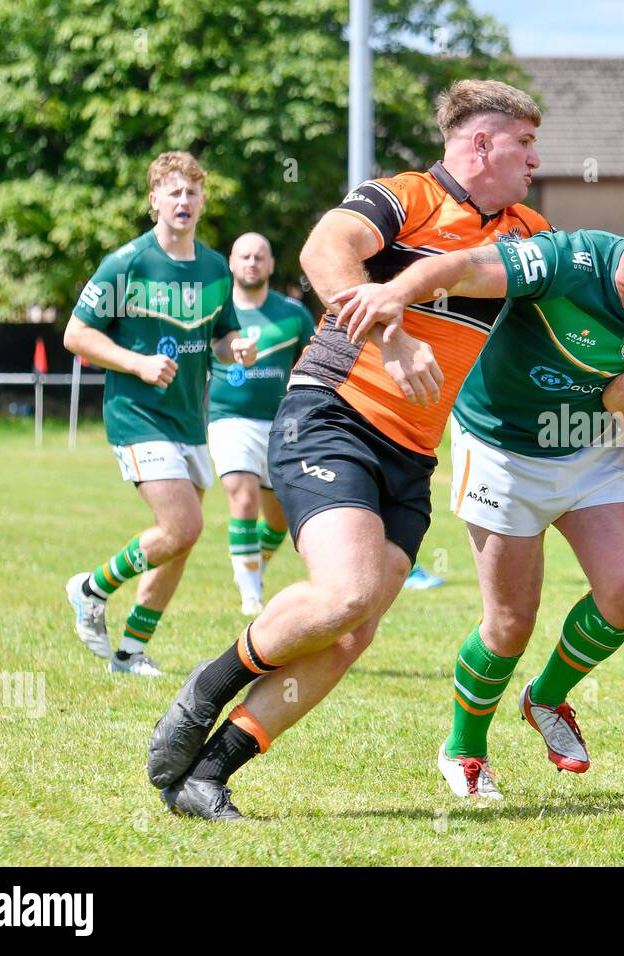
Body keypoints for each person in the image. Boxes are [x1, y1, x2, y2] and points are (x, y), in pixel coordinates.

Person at [146, 80, 548, 820]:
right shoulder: (405, 196)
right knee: (346, 594)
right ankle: (205, 689)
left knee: (349, 634)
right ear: (481, 143)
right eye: (524, 142)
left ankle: (208, 776)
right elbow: (324, 248)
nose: (535, 156)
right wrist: (390, 336)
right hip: (333, 416)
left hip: (412, 455)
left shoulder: (526, 230)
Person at [336, 201, 624, 800]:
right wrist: (392, 295)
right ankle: (465, 749)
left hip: (591, 452)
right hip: (504, 448)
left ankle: (547, 697)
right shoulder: (565, 261)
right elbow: (464, 267)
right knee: (508, 624)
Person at [63, 151, 257, 677]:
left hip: (189, 421)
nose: (184, 201)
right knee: (182, 525)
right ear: (154, 200)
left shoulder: (217, 267)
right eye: (173, 192)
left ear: (202, 201)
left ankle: (129, 654)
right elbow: (75, 334)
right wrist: (138, 363)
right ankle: (90, 588)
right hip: (136, 414)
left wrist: (238, 348)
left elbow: (222, 338)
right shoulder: (126, 262)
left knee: (180, 541)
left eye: (192, 192)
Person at [208, 232, 314, 615]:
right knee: (243, 496)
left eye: (260, 257)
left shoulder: (292, 313)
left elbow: (314, 361)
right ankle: (251, 596)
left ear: (270, 265)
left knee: (280, 518)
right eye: (244, 256)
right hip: (228, 419)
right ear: (232, 264)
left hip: (282, 424)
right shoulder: (216, 315)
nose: (252, 262)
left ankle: (254, 567)